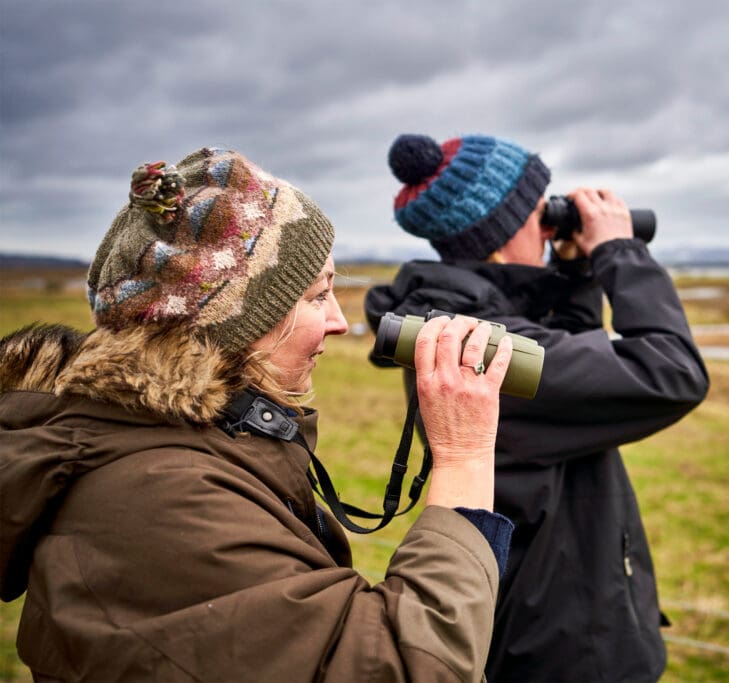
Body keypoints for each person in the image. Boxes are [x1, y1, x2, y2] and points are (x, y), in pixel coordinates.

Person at [0, 147, 516, 682]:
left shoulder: (188, 446)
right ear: (239, 326)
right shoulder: (164, 498)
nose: (339, 322)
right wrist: (463, 458)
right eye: (319, 296)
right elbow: (403, 669)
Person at [365, 133, 711, 682]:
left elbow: (577, 385)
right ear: (501, 237)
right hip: (559, 649)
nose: (550, 228)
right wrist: (620, 252)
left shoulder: (463, 323)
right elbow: (670, 373)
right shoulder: (484, 350)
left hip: (549, 622)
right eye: (538, 214)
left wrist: (574, 275)